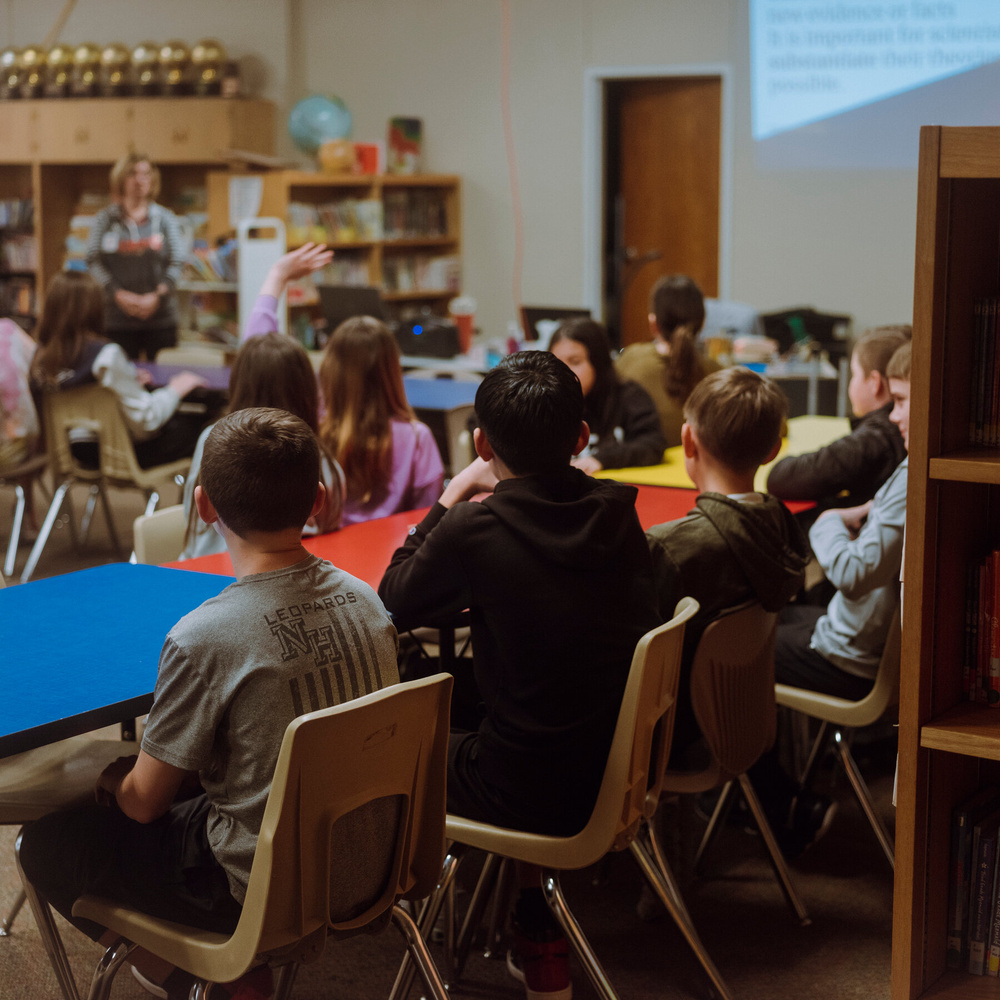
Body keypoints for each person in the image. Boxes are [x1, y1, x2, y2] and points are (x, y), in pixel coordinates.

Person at [19, 407, 401, 1000]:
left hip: (255, 889)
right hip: (370, 863)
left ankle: (202, 974)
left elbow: (145, 806)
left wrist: (117, 778)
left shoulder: (204, 637)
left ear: (202, 505)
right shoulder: (370, 605)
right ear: (319, 500)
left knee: (45, 844)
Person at [378, 351, 660, 1000]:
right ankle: (537, 931)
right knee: (502, 696)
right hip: (617, 768)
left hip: (526, 787)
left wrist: (449, 494)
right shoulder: (619, 512)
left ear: (481, 443)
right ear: (582, 439)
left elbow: (395, 598)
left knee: (397, 723)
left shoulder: (477, 525)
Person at [753, 340, 911, 856]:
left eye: (905, 403)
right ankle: (769, 795)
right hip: (853, 634)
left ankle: (771, 804)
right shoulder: (911, 469)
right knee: (757, 623)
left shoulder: (910, 479)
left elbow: (852, 573)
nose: (895, 417)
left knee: (723, 660)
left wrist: (826, 524)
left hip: (849, 655)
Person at [645, 367, 811, 761]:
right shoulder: (781, 526)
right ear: (774, 450)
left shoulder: (670, 548)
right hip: (738, 719)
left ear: (688, 441)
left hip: (672, 736)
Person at [180, 332, 345, 559]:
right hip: (279, 581)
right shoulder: (317, 456)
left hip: (205, 568)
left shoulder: (213, 438)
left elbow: (192, 511)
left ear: (239, 385)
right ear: (305, 389)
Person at [29, 271, 208, 469]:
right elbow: (146, 422)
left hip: (71, 451)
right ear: (95, 308)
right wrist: (176, 389)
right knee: (199, 429)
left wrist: (126, 380)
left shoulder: (40, 355)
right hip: (116, 452)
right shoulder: (106, 355)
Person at [767, 325, 910, 514]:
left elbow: (780, 479)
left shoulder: (878, 436)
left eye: (855, 375)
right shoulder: (891, 429)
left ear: (875, 383)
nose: (851, 384)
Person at [319, 315, 444, 524]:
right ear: (393, 371)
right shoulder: (418, 437)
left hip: (329, 555)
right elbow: (428, 519)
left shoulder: (317, 435)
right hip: (397, 553)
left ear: (331, 372)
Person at [86, 152, 185, 360]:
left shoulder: (166, 219)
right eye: (133, 174)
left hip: (161, 318)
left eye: (145, 174)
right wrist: (117, 294)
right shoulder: (106, 219)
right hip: (117, 319)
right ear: (121, 179)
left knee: (160, 380)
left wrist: (157, 296)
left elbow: (178, 261)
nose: (140, 180)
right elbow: (93, 259)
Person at [549, 317, 666, 473]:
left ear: (598, 362)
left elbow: (653, 444)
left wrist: (602, 459)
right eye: (556, 363)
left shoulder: (629, 396)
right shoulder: (546, 402)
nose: (563, 372)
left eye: (575, 362)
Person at [616, 274, 720, 447]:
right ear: (702, 324)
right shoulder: (719, 374)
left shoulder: (631, 360)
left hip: (636, 470)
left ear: (653, 323)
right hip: (696, 471)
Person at [0, 318, 40, 537]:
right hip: (8, 453)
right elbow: (38, 364)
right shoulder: (8, 331)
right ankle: (28, 517)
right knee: (34, 430)